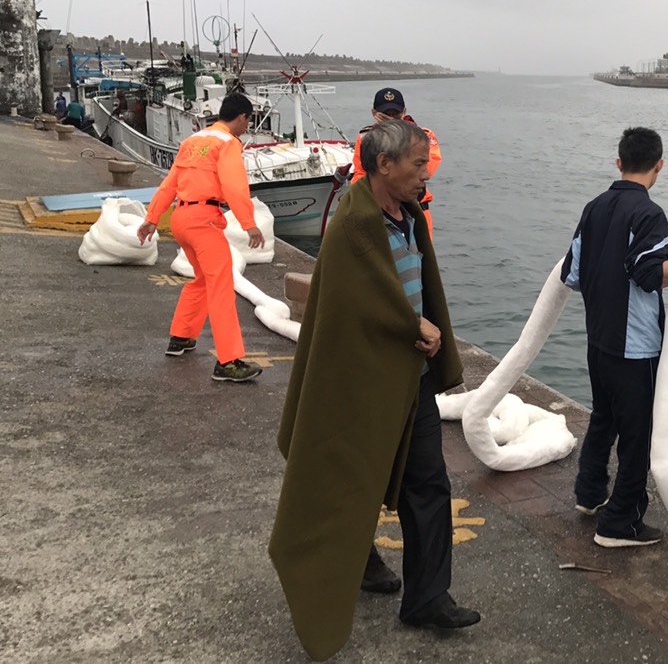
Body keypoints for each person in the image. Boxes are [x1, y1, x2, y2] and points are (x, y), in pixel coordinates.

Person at [270, 119, 479, 661]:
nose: (426, 174)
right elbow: (352, 304)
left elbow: (407, 290)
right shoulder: (355, 223)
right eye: (418, 164)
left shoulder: (407, 216)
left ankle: (427, 598)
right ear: (384, 164)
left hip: (412, 380)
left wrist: (422, 331)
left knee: (427, 485)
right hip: (363, 384)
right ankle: (356, 564)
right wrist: (412, 326)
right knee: (351, 481)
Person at [560, 127, 668, 548]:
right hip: (635, 349)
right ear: (660, 165)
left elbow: (572, 275)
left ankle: (589, 493)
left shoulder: (593, 208)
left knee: (603, 418)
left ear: (619, 162)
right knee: (638, 435)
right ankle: (620, 522)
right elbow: (651, 275)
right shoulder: (649, 214)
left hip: (598, 340)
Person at [136, 93, 264, 383]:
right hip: (204, 220)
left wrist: (152, 218)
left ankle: (181, 337)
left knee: (203, 280)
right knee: (221, 286)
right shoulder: (228, 143)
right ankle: (228, 362)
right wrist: (249, 223)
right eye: (248, 121)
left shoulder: (192, 141)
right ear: (242, 117)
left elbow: (169, 184)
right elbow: (234, 185)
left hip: (182, 218)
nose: (247, 127)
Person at [350, 87, 442, 237]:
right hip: (380, 209)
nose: (391, 118)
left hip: (416, 209)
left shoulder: (424, 136)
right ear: (374, 114)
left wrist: (400, 135)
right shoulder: (365, 138)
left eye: (396, 114)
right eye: (386, 114)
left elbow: (427, 168)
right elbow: (360, 173)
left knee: (422, 250)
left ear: (404, 112)